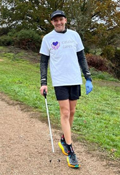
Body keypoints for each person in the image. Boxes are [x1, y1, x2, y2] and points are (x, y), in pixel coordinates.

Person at [39, 10, 93, 168]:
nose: (58, 22)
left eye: (61, 19)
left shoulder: (75, 35)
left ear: (65, 20)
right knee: (65, 112)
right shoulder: (48, 39)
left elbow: (81, 57)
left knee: (73, 111)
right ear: (52, 23)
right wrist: (43, 82)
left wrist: (87, 76)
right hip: (59, 81)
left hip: (75, 79)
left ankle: (63, 139)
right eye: (55, 20)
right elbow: (43, 62)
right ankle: (70, 150)